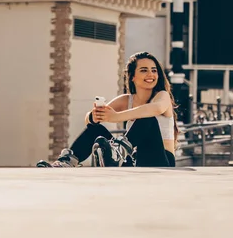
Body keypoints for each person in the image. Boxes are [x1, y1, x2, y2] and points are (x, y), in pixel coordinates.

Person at [37, 51, 178, 168]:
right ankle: (65, 163)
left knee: (147, 118)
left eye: (154, 70)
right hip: (135, 160)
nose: (151, 75)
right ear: (132, 77)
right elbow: (89, 121)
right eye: (144, 70)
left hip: (161, 160)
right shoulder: (126, 100)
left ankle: (117, 153)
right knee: (95, 130)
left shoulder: (162, 96)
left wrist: (115, 117)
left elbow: (155, 108)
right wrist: (96, 115)